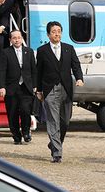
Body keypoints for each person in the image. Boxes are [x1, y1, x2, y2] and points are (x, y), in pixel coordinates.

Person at [36, 21, 84, 163]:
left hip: (66, 89)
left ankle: (54, 143)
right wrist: (38, 90)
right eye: (54, 31)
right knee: (53, 121)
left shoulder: (69, 48)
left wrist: (79, 78)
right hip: (49, 89)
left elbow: (76, 65)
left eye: (59, 31)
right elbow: (38, 72)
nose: (57, 34)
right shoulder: (42, 50)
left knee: (65, 121)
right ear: (48, 34)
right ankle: (57, 153)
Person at [0, 30, 37, 145]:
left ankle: (26, 132)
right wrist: (2, 87)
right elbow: (2, 71)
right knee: (12, 112)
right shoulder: (5, 52)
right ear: (10, 40)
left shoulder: (28, 52)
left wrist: (35, 85)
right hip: (11, 88)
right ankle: (16, 135)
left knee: (25, 110)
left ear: (22, 39)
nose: (17, 40)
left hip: (26, 87)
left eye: (19, 37)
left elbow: (34, 70)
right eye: (14, 38)